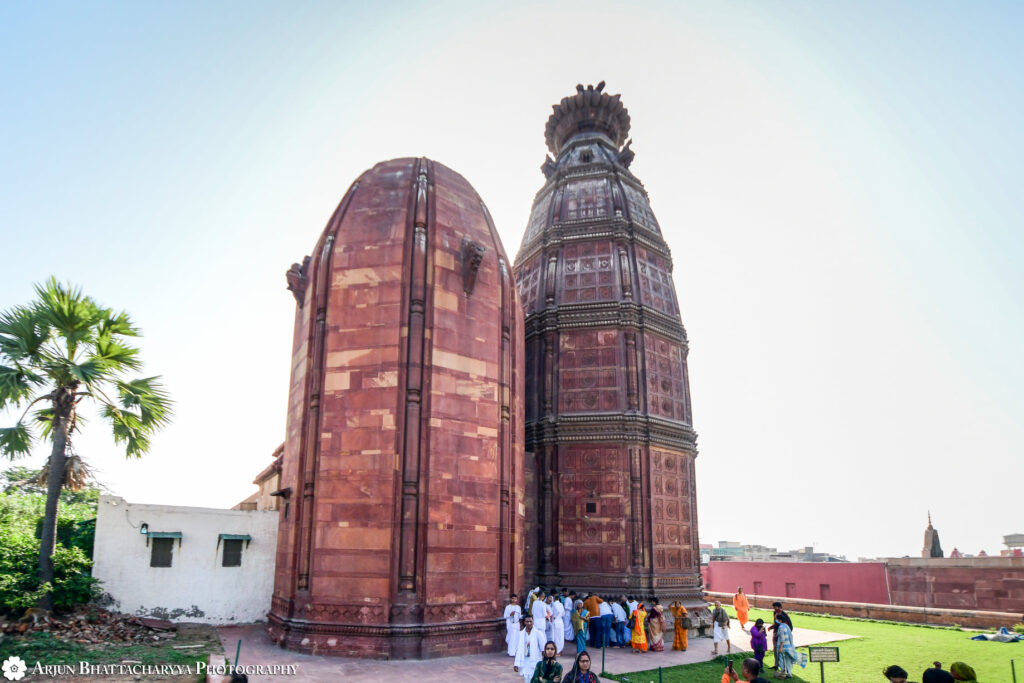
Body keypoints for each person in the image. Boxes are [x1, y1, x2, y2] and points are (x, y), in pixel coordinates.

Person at [515, 616, 548, 683]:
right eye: (527, 621)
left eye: (531, 621)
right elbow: (518, 649)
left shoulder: (538, 633)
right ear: (524, 622)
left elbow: (543, 649)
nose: (529, 623)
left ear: (533, 622)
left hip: (535, 660)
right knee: (526, 679)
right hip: (525, 661)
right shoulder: (521, 634)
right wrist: (516, 664)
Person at [768, 602, 793, 670]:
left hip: (781, 635)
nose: (774, 609)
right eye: (774, 607)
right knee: (775, 650)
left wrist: (786, 635)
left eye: (775, 607)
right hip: (776, 634)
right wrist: (772, 627)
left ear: (779, 607)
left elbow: (789, 626)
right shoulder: (775, 613)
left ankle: (784, 668)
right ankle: (776, 665)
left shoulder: (784, 615)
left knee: (781, 651)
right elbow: (776, 623)